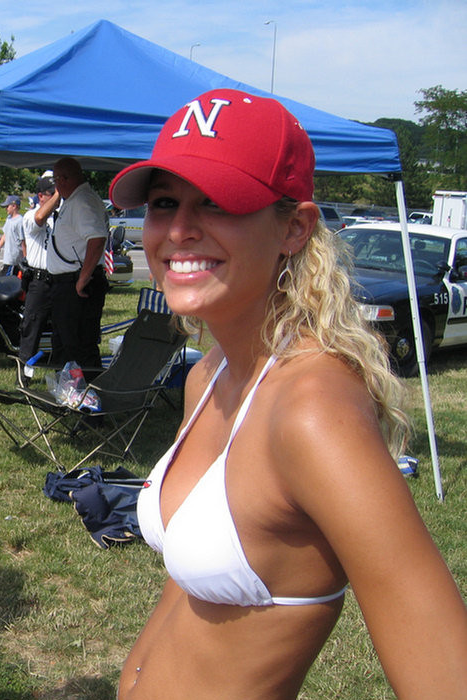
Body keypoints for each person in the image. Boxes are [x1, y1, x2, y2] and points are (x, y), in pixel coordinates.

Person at [108, 88, 467, 700]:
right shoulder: (209, 377)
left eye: (219, 202)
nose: (179, 229)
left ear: (295, 228)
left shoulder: (312, 408)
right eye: (164, 202)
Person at [46, 156, 109, 372]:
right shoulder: (75, 200)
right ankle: (69, 392)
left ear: (63, 179)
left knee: (79, 345)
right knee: (65, 344)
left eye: (55, 180)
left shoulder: (82, 201)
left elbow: (97, 238)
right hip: (66, 283)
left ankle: (87, 396)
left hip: (75, 284)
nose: (55, 185)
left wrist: (83, 278)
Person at [18, 176, 58, 364]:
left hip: (59, 280)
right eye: (53, 194)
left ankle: (62, 374)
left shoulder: (60, 217)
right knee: (32, 328)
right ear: (41, 196)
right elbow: (40, 219)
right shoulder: (30, 216)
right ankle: (25, 375)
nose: (57, 198)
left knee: (62, 329)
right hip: (39, 281)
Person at [0, 195, 24, 276]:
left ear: (14, 206)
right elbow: (5, 236)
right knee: (1, 280)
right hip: (7, 259)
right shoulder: (8, 219)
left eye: (7, 206)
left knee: (5, 282)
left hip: (13, 259)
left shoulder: (20, 221)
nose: (6, 209)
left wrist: (25, 258)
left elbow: (23, 241)